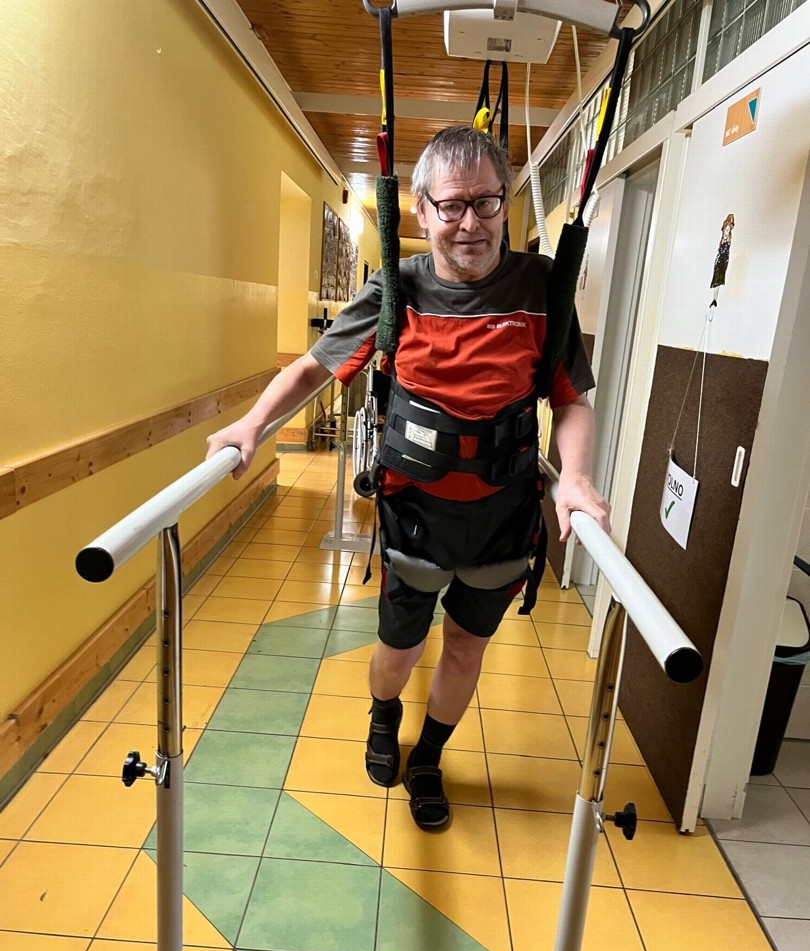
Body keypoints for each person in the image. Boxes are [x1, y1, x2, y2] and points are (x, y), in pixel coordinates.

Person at [206, 126, 611, 832]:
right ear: (421, 209)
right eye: (451, 205)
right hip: (416, 514)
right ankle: (383, 714)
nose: (470, 223)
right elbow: (313, 366)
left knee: (465, 649)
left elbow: (571, 398)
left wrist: (574, 478)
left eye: (486, 203)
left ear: (505, 202)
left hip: (502, 517)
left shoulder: (541, 288)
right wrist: (253, 424)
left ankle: (428, 756)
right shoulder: (398, 289)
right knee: (400, 650)